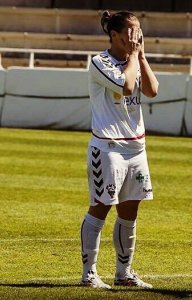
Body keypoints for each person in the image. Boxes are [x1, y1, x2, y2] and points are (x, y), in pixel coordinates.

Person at [80, 10, 159, 289]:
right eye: (130, 32)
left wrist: (142, 56)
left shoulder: (135, 59)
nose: (135, 37)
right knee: (100, 208)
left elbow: (151, 91)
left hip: (137, 148)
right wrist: (134, 58)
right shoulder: (99, 62)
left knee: (130, 212)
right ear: (113, 35)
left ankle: (123, 274)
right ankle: (89, 274)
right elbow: (126, 86)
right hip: (108, 148)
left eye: (138, 31)